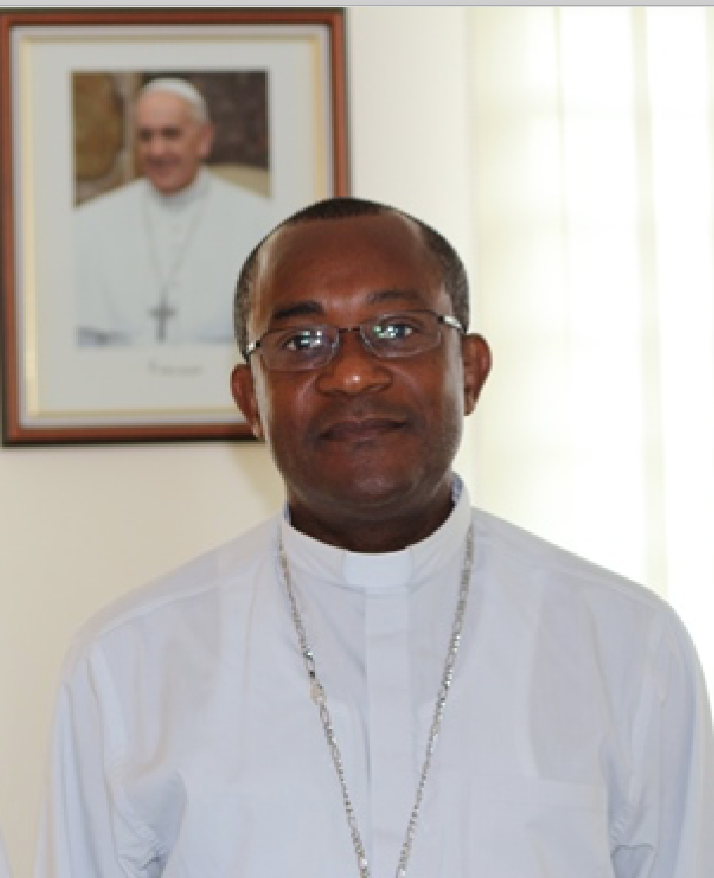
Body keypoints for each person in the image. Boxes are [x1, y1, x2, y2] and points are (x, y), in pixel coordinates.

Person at [36, 197, 714, 877]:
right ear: (250, 400)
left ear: (470, 370)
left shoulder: (628, 647)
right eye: (302, 342)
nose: (353, 373)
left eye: (396, 329)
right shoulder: (128, 665)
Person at [74, 77, 278, 346]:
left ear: (204, 139)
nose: (157, 150)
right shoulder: (88, 224)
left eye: (170, 134)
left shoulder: (260, 223)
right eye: (146, 136)